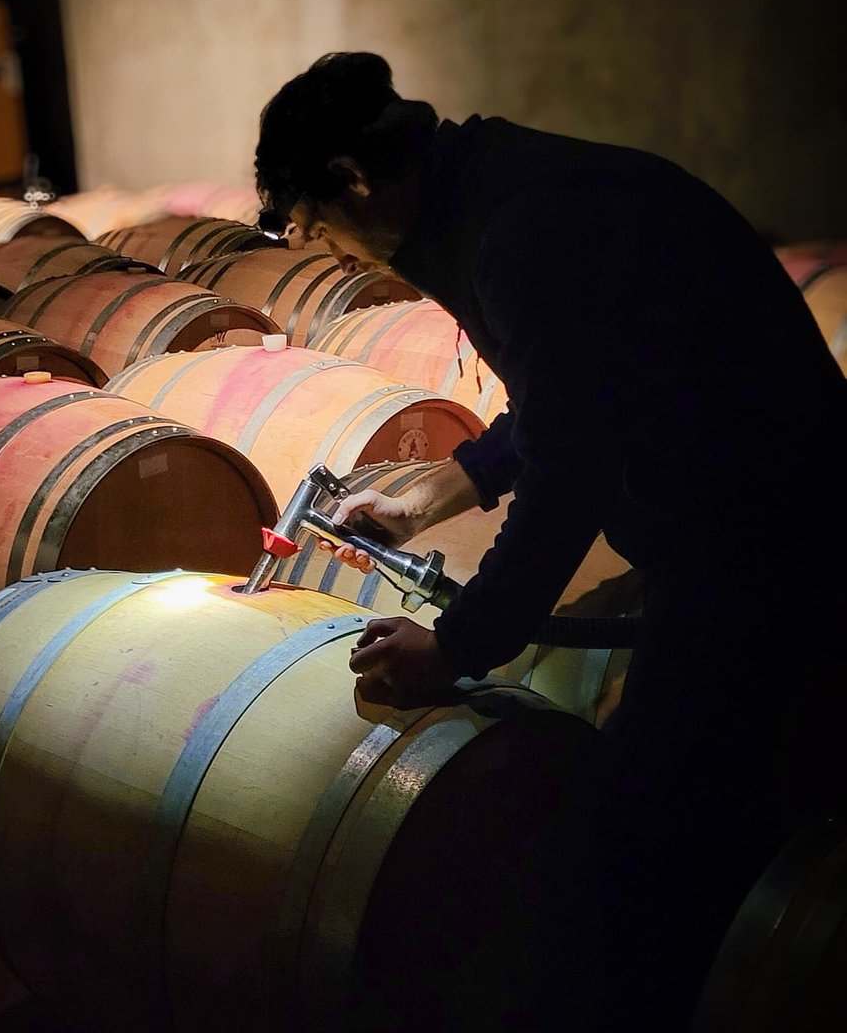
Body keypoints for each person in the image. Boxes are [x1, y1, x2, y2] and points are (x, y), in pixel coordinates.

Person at [253, 52, 847, 1033]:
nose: (329, 253)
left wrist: (453, 647)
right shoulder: (495, 192)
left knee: (640, 839)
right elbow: (574, 393)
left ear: (354, 180)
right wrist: (433, 494)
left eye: (316, 225)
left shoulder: (521, 229)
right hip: (748, 519)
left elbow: (570, 470)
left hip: (764, 538)